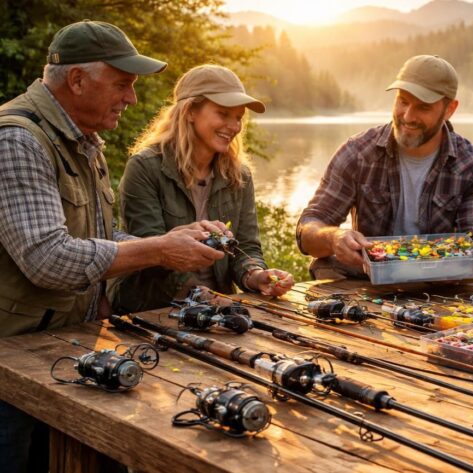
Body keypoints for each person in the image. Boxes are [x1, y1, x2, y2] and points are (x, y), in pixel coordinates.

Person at [0, 21, 227, 472]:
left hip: (55, 351)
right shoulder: (17, 140)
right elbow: (48, 259)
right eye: (122, 84)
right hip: (9, 366)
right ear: (78, 80)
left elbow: (97, 238)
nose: (133, 99)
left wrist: (174, 240)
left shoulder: (85, 139)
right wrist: (159, 251)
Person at [113, 65, 295, 313]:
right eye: (223, 114)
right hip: (153, 310)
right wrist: (203, 296)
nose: (233, 126)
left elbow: (246, 248)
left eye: (238, 117)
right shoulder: (144, 168)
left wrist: (256, 275)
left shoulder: (239, 175)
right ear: (189, 112)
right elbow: (150, 254)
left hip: (220, 309)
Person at [296, 55, 473, 279]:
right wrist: (333, 238)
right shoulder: (358, 153)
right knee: (325, 267)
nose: (408, 116)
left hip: (444, 286)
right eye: (403, 101)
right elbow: (308, 229)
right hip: (367, 283)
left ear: (449, 109)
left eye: (423, 107)